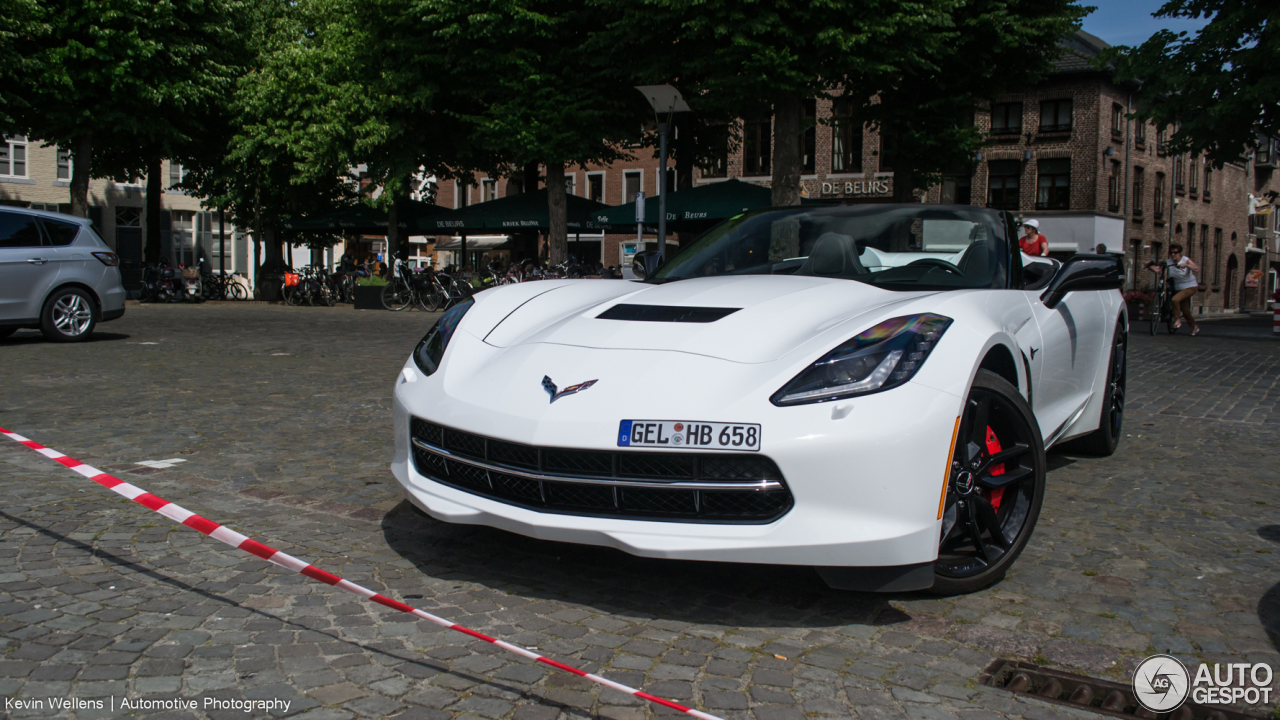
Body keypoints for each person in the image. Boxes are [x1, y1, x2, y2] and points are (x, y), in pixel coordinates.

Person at [1147, 242, 1201, 335]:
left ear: (1180, 253)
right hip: (1179, 288)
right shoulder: (1169, 262)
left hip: (1190, 286)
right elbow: (1158, 270)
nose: (1173, 255)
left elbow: (1197, 268)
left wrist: (1187, 265)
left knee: (1175, 300)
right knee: (1185, 311)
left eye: (1175, 253)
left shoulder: (1185, 260)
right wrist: (1149, 265)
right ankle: (1195, 327)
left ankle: (1177, 320)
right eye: (1171, 253)